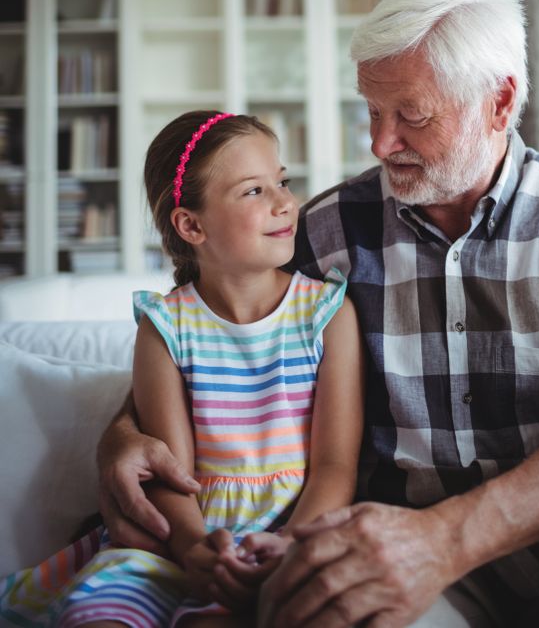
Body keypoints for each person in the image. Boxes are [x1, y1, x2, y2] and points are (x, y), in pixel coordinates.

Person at [97, 0, 539, 627]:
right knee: (315, 608)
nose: (379, 142)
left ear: (499, 104)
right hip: (397, 544)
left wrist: (447, 539)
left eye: (411, 116)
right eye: (371, 111)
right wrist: (119, 435)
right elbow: (206, 339)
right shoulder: (326, 229)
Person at [0, 111, 364, 627]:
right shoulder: (165, 325)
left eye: (281, 181)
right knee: (99, 617)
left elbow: (334, 466)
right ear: (192, 225)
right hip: (177, 543)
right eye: (253, 191)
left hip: (293, 539)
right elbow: (174, 472)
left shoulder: (328, 314)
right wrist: (196, 553)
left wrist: (288, 550)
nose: (285, 201)